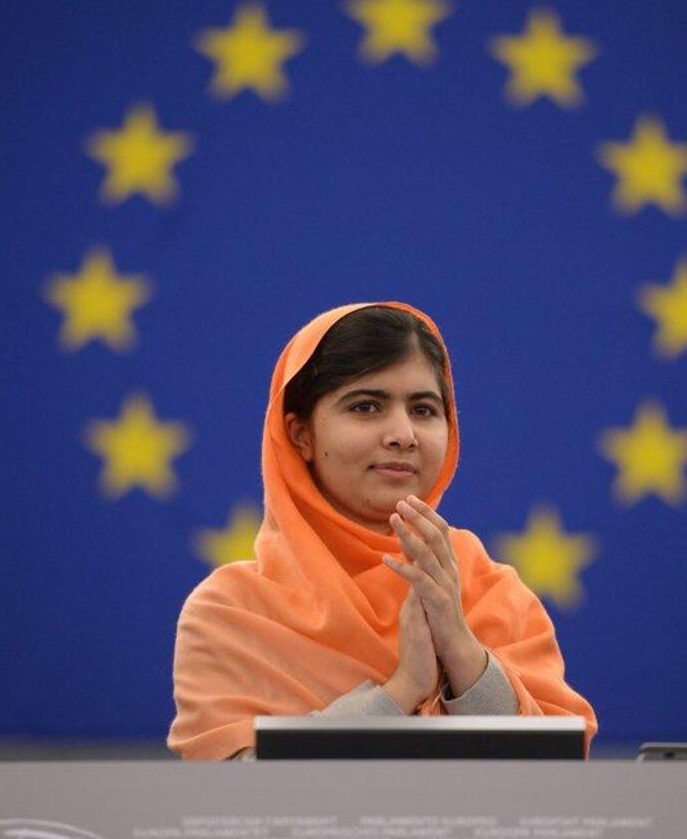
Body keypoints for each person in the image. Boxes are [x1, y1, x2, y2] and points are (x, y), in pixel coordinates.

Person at [168, 302, 597, 760]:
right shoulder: (231, 612)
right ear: (301, 435)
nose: (403, 433)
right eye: (366, 406)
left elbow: (557, 782)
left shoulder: (493, 594)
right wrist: (400, 691)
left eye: (424, 409)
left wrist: (461, 648)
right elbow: (234, 802)